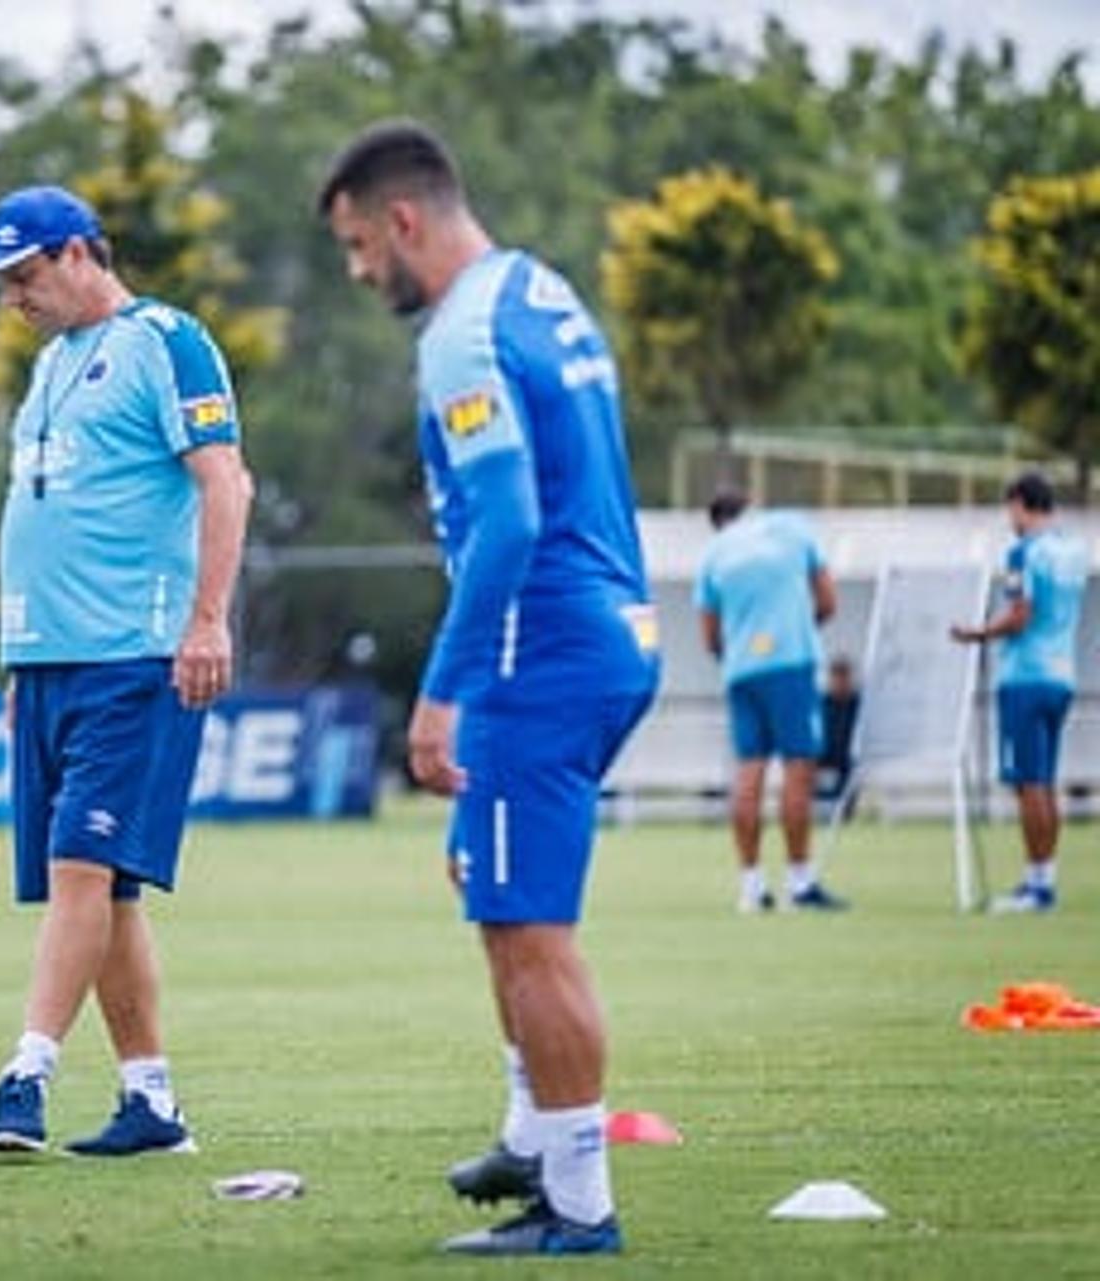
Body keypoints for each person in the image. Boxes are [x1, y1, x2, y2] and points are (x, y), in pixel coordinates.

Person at [318, 121, 660, 1256]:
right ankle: (531, 1131)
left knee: (530, 926)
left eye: (362, 246)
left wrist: (443, 690)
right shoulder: (538, 289)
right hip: (607, 630)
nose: (363, 271)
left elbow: (510, 517)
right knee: (487, 873)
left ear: (403, 220)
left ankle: (577, 1205)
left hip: (539, 649)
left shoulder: (462, 334)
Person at [0, 187, 252, 1156]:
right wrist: (19, 659)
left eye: (23, 276)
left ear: (80, 254)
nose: (13, 298)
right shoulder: (49, 366)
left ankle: (24, 1078)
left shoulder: (169, 340)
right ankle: (150, 1103)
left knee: (83, 869)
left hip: (135, 655)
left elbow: (225, 481)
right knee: (104, 894)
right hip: (49, 664)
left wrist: (208, 620)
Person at [695, 489, 849, 914]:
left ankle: (751, 885)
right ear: (751, 508)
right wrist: (798, 629)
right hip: (791, 663)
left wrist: (744, 650)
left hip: (742, 670)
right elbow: (828, 600)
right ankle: (800, 882)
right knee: (798, 769)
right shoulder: (791, 527)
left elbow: (710, 637)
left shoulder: (712, 556)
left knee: (750, 770)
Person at [951, 472, 1090, 913]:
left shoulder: (1023, 552)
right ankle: (1044, 877)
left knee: (1028, 783)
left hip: (1025, 677)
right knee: (1044, 783)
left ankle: (1036, 887)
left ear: (1019, 504)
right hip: (1062, 675)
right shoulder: (1073, 551)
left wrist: (976, 634)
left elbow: (1020, 615)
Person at [816, 655, 862, 812]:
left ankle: (845, 808)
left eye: (844, 677)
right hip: (823, 754)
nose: (840, 683)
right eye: (836, 678)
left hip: (848, 756)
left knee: (851, 768)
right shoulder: (822, 703)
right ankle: (818, 805)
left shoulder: (858, 704)